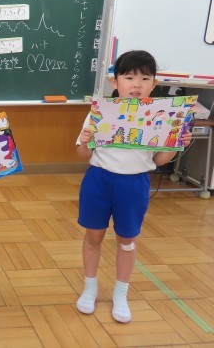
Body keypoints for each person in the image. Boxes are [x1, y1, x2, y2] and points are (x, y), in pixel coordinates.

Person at [76, 50, 192, 323]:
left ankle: (121, 293)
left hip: (135, 183)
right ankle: (90, 287)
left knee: (127, 241)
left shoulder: (161, 117)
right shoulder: (100, 113)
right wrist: (84, 140)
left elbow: (159, 160)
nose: (136, 84)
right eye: (129, 77)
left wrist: (176, 144)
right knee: (93, 236)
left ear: (154, 84)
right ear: (115, 82)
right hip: (99, 180)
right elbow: (82, 154)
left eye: (145, 78)